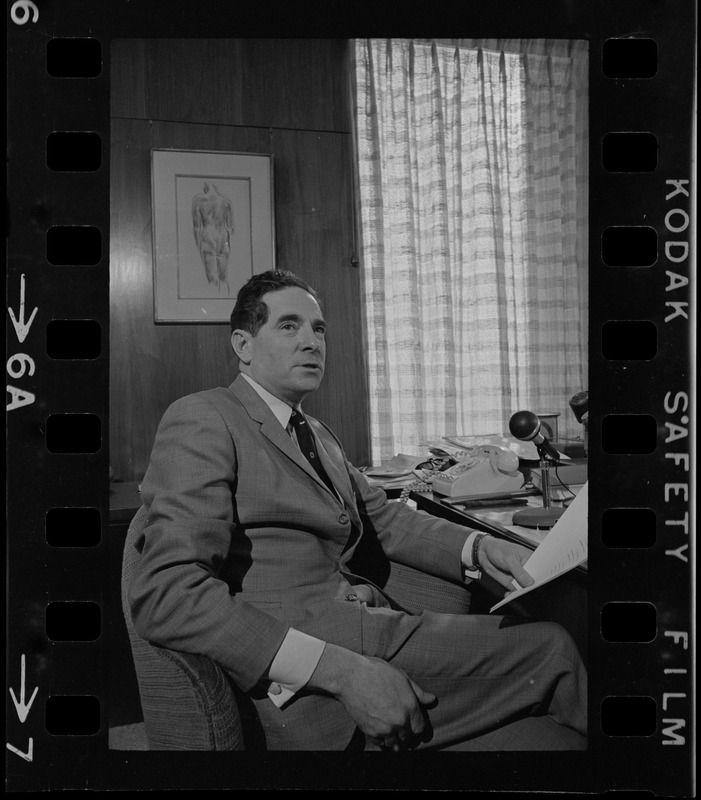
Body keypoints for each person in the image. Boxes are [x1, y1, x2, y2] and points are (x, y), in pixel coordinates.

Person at [129, 269, 587, 751]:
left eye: (318, 329)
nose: (311, 342)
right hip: (312, 680)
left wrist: (480, 546)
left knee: (541, 639)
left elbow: (383, 518)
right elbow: (167, 593)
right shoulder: (205, 416)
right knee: (553, 646)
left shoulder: (316, 432)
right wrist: (341, 671)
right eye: (289, 326)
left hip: (364, 628)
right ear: (243, 345)